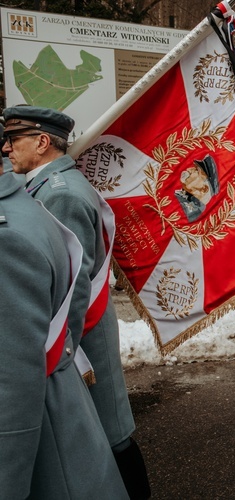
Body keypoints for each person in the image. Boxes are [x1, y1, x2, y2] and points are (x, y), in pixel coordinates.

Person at [2, 105, 150, 498]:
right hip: (78, 336)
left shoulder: (59, 195)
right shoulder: (49, 186)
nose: (6, 148)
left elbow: (72, 286)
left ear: (42, 141)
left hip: (77, 339)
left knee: (107, 438)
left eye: (14, 140)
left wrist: (60, 352)